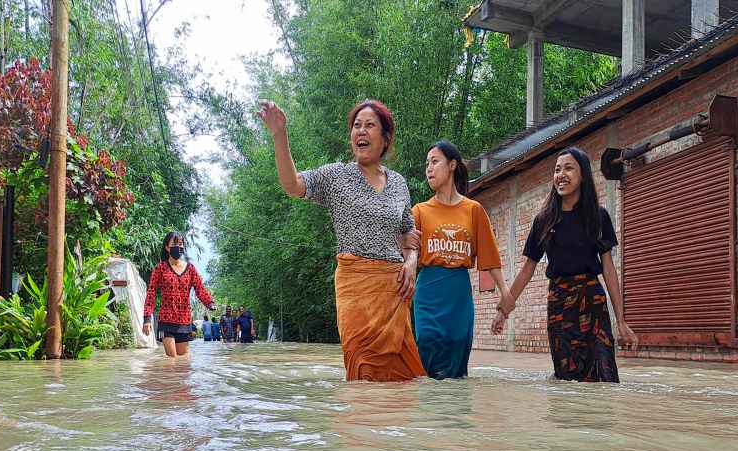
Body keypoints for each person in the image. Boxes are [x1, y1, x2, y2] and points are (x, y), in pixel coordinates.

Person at [257, 98, 425, 381]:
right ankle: (359, 424)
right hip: (355, 288)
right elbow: (293, 185)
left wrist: (411, 263)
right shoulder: (336, 176)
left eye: (370, 125)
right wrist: (279, 136)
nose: (361, 131)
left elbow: (409, 235)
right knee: (363, 372)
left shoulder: (398, 183)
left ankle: (396, 426)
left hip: (393, 291)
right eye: (356, 125)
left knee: (401, 379)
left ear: (385, 138)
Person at [492, 147, 637, 382]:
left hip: (592, 302)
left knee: (603, 374)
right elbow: (527, 269)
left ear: (583, 175)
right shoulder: (544, 220)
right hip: (559, 304)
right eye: (557, 170)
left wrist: (620, 320)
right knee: (566, 377)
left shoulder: (598, 216)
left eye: (569, 168)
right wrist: (503, 310)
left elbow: (609, 269)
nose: (561, 174)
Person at [412, 140, 510, 379]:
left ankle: (456, 414)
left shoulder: (473, 210)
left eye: (435, 162)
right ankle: (429, 411)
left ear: (452, 165)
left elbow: (489, 255)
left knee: (457, 352)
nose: (429, 168)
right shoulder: (419, 211)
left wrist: (505, 294)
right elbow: (408, 258)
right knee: (427, 341)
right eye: (427, 164)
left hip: (458, 292)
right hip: (427, 290)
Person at [143, 231, 216, 357]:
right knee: (172, 360)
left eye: (181, 244)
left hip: (184, 321)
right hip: (166, 320)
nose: (179, 247)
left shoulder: (191, 269)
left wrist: (209, 302)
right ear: (167, 247)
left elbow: (200, 289)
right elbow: (151, 293)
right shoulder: (160, 268)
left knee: (183, 365)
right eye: (175, 244)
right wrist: (147, 319)